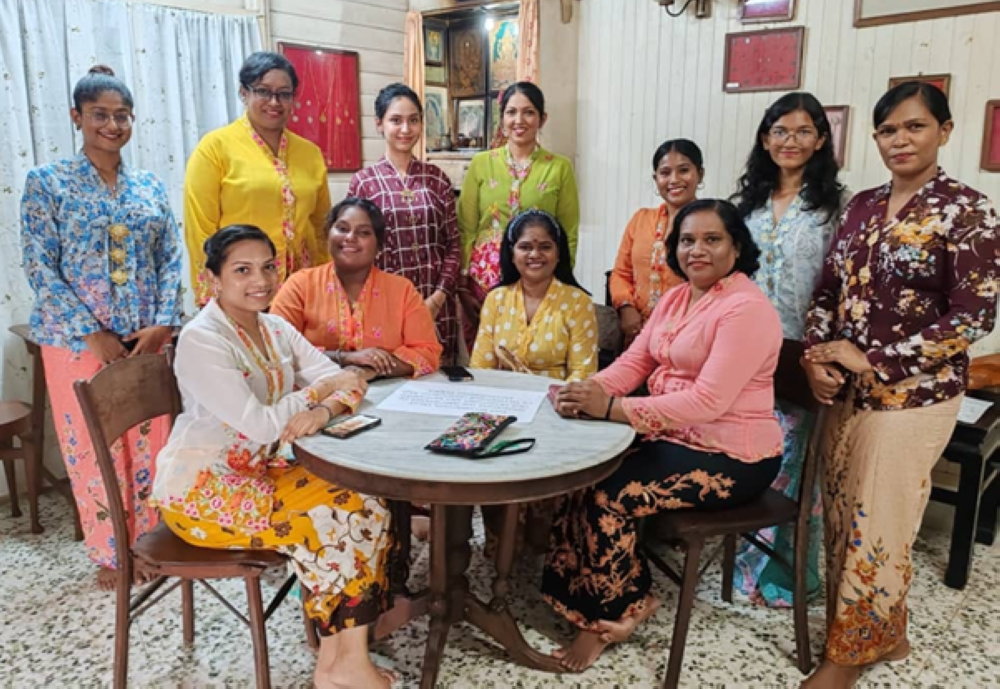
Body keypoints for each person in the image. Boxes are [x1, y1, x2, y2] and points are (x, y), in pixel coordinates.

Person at [800, 84, 999, 689]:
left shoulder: (968, 211)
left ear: (945, 129)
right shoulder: (861, 206)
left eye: (914, 127)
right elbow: (827, 292)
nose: (900, 141)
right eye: (888, 131)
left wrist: (874, 359)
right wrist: (817, 355)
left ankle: (850, 655)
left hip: (916, 394)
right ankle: (885, 630)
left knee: (876, 516)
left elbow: (973, 316)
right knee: (840, 511)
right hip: (848, 391)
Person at [545, 199, 784, 671]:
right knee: (578, 474)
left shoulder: (746, 310)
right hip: (675, 435)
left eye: (712, 239)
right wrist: (587, 390)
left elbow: (707, 403)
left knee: (609, 494)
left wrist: (612, 409)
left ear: (736, 246)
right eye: (687, 240)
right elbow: (637, 361)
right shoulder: (678, 297)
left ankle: (608, 620)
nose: (697, 250)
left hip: (735, 455)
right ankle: (619, 595)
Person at [153, 225, 395, 689]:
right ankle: (341, 665)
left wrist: (323, 404)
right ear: (213, 280)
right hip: (205, 488)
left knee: (366, 497)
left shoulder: (274, 327)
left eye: (267, 267)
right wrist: (322, 391)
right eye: (242, 270)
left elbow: (348, 379)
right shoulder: (202, 339)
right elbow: (262, 424)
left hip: (263, 469)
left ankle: (340, 659)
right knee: (337, 515)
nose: (259, 280)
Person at [20, 65, 182, 590]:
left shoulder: (149, 186)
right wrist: (90, 333)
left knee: (150, 443)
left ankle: (153, 542)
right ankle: (112, 555)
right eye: (100, 115)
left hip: (145, 341)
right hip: (78, 344)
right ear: (77, 117)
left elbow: (169, 258)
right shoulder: (47, 184)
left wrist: (160, 324)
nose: (112, 125)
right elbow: (41, 265)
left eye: (121, 115)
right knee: (96, 447)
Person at [729, 92, 846, 608]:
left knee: (794, 461)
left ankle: (783, 578)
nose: (790, 141)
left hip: (805, 351)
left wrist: (826, 353)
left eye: (802, 132)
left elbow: (842, 286)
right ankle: (742, 570)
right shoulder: (745, 206)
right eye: (780, 131)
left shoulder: (835, 209)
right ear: (764, 138)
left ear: (820, 140)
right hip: (745, 352)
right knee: (748, 451)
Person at [184, 51, 331, 305]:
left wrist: (325, 283)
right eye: (263, 91)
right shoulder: (215, 148)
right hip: (240, 289)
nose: (274, 102)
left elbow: (321, 227)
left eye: (284, 94)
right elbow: (200, 229)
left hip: (300, 290)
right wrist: (211, 294)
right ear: (244, 93)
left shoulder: (310, 153)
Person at [457, 82, 580, 349]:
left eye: (528, 112)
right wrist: (464, 284)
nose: (519, 120)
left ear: (542, 118)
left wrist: (560, 279)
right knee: (485, 358)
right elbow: (466, 228)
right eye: (511, 112)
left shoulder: (559, 168)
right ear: (502, 119)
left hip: (538, 277)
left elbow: (568, 232)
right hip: (483, 281)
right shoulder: (481, 164)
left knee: (532, 350)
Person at [270, 197, 442, 381]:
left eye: (364, 232)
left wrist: (373, 369)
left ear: (379, 246)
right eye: (342, 229)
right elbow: (275, 346)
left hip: (386, 396)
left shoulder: (402, 291)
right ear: (328, 234)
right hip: (312, 393)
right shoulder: (300, 284)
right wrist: (345, 358)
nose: (350, 237)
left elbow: (427, 352)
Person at [348, 83, 461, 363]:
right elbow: (354, 252)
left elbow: (454, 247)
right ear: (379, 124)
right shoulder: (364, 183)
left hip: (436, 306)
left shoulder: (437, 179)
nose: (405, 129)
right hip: (382, 306)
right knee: (389, 381)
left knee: (436, 382)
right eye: (395, 120)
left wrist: (436, 299)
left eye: (413, 120)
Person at [470, 209, 597, 381]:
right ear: (512, 254)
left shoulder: (578, 302)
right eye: (525, 247)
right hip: (501, 400)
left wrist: (559, 402)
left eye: (545, 247)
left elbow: (583, 372)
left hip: (558, 402)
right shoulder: (496, 299)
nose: (535, 255)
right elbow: (481, 368)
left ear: (558, 254)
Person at [610, 139, 703, 345]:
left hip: (689, 336)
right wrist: (626, 308)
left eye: (684, 170)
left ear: (700, 174)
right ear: (656, 178)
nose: (674, 179)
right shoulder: (641, 220)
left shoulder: (711, 224)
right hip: (638, 334)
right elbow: (620, 273)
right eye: (665, 173)